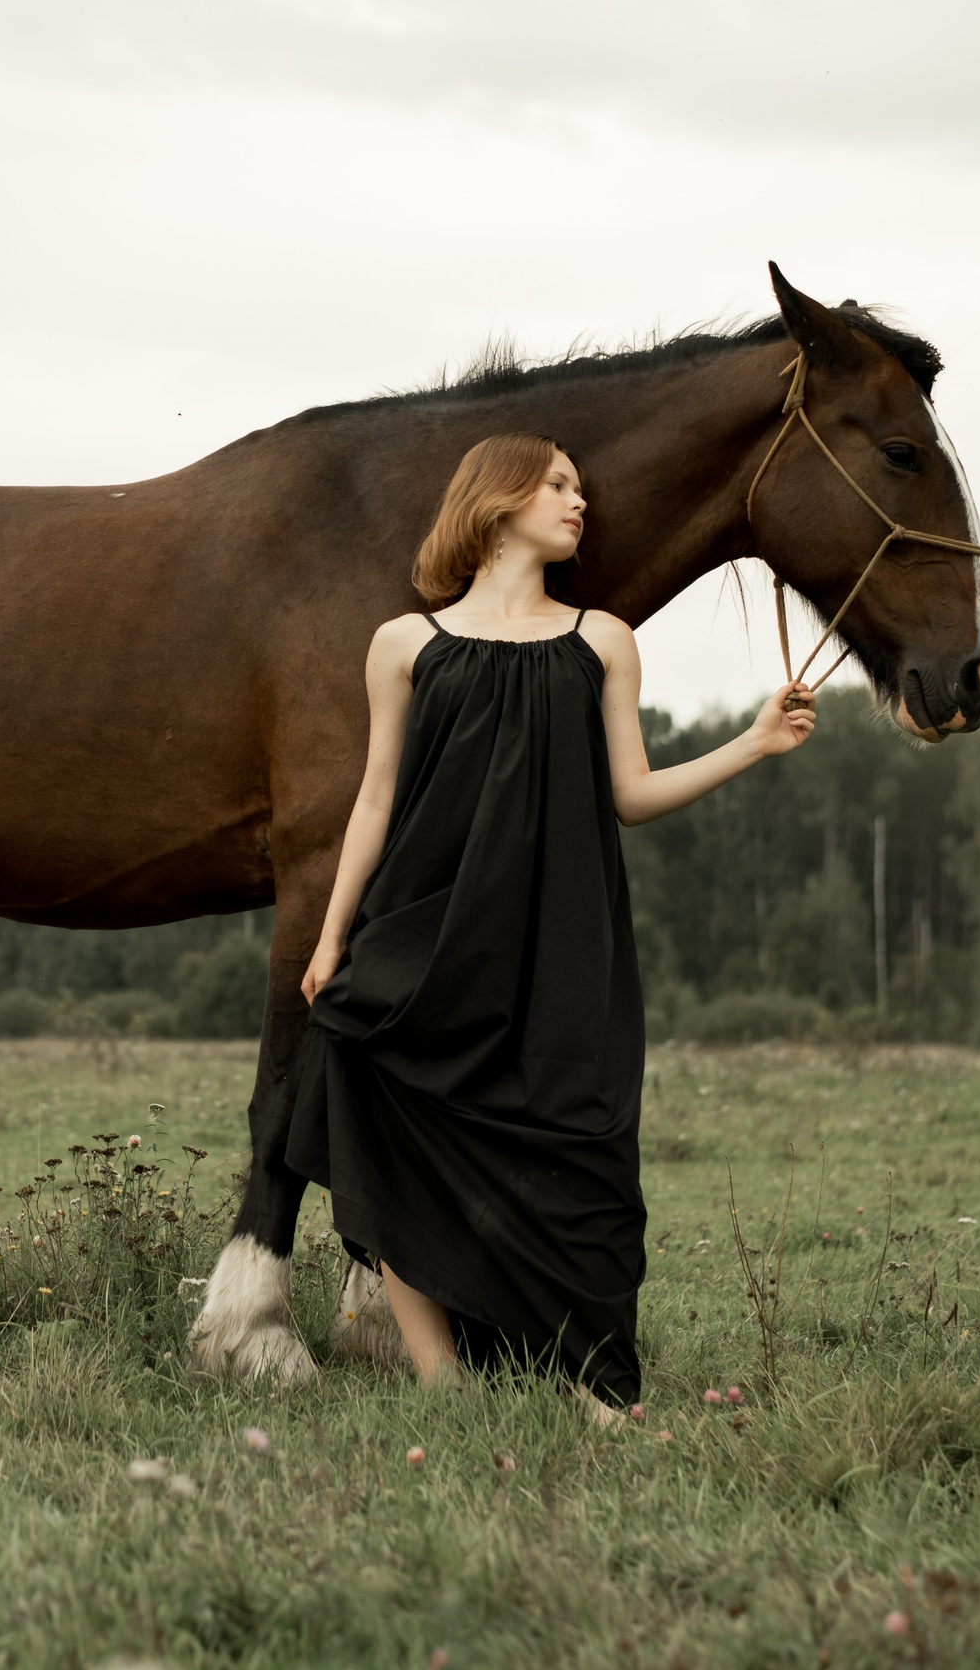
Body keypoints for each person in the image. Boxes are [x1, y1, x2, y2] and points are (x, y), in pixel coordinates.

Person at [284, 431, 816, 1419]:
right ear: (498, 498)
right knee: (379, 1107)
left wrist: (753, 741)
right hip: (428, 934)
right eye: (560, 484)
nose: (581, 502)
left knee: (589, 1160)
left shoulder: (603, 638)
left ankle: (599, 1390)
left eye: (579, 486)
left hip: (563, 941)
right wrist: (330, 943)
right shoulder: (404, 643)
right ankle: (442, 1380)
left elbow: (630, 792)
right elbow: (373, 801)